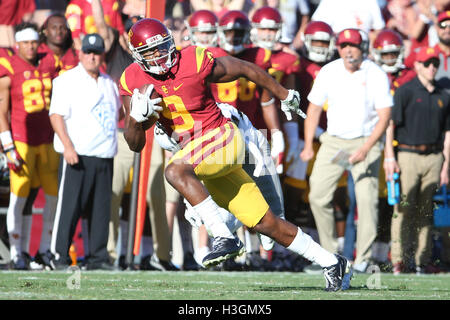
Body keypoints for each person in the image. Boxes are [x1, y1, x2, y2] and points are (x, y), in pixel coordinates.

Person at [120, 18, 352, 291]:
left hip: (222, 137)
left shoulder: (193, 60)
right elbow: (135, 144)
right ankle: (332, 262)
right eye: (152, 52)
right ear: (138, 56)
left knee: (174, 170)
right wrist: (136, 119)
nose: (161, 56)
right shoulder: (132, 80)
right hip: (198, 156)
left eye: (163, 47)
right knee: (267, 224)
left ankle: (223, 236)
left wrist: (284, 94)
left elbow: (245, 68)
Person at [300, 28, 393, 273]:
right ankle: (330, 257)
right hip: (335, 144)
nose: (349, 50)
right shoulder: (329, 71)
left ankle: (362, 259)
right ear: (338, 48)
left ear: (363, 48)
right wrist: (309, 144)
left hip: (366, 141)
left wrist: (366, 148)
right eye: (344, 45)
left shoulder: (376, 74)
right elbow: (313, 109)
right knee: (317, 195)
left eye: (354, 45)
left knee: (366, 200)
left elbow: (384, 117)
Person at [49, 33, 121, 270]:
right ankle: (58, 256)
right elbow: (56, 114)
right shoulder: (67, 80)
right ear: (80, 53)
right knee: (69, 208)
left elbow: (117, 113)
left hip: (104, 154)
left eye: (96, 52)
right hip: (77, 154)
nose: (92, 56)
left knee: (100, 210)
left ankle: (98, 257)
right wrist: (68, 146)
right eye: (88, 52)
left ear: (102, 55)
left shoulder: (109, 83)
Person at [384, 46, 450, 275]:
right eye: (427, 63)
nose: (432, 68)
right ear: (417, 65)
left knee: (425, 211)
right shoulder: (405, 91)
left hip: (434, 156)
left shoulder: (443, 95)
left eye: (435, 63)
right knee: (402, 208)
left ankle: (421, 260)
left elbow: (448, 133)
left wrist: (446, 166)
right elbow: (390, 126)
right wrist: (389, 157)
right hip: (407, 154)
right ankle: (399, 260)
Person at [0, 22, 59, 270]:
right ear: (17, 45)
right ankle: (17, 252)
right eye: (25, 43)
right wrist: (8, 146)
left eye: (34, 42)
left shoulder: (49, 62)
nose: (31, 47)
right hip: (22, 141)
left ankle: (44, 249)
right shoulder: (9, 66)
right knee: (19, 196)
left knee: (53, 197)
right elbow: (2, 110)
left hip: (47, 140)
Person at [311, 0, 385, 44]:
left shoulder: (371, 2)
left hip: (362, 49)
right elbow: (316, 26)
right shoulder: (329, 2)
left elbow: (379, 28)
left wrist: (372, 40)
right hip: (336, 49)